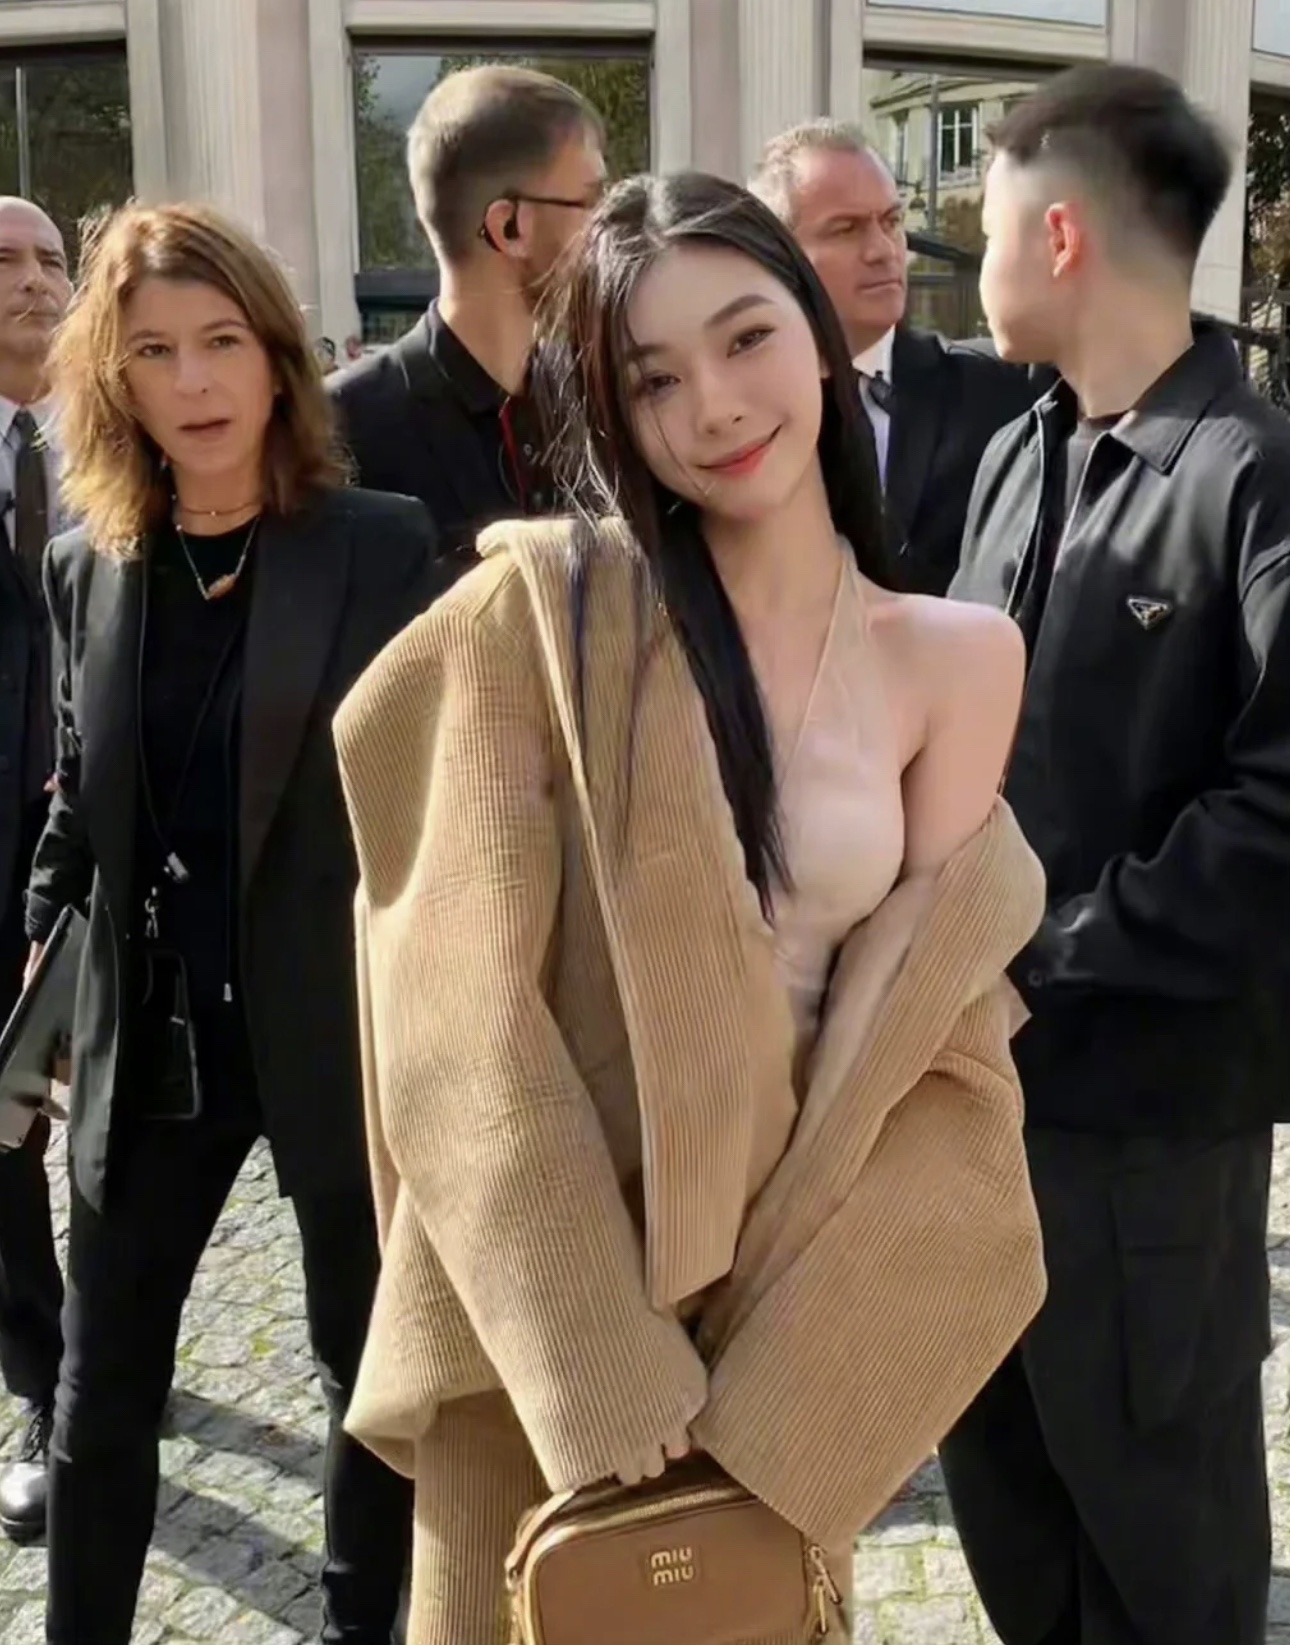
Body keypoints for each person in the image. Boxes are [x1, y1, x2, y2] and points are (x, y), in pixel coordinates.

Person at [332, 170, 1049, 1645]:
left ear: (819, 334)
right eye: (653, 378)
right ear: (611, 410)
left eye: (745, 338)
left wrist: (791, 1370)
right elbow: (452, 1006)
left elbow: (927, 1030)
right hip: (548, 1313)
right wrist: (597, 1352)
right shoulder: (538, 620)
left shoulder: (956, 658)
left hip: (776, 1313)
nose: (713, 407)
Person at [25, 201, 445, 1645]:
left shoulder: (381, 546)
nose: (194, 382)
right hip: (150, 1033)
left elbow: (445, 799)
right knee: (100, 1383)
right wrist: (37, 961)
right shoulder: (88, 564)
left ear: (276, 357)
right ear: (114, 377)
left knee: (361, 1374)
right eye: (153, 351)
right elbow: (78, 803)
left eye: (220, 342)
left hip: (336, 1027)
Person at [942, 65, 1290, 1645]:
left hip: (1149, 1132)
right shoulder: (1014, 454)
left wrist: (1040, 950)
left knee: (1162, 1543)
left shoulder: (1251, 474)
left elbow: (1275, 815)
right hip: (970, 1102)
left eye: (985, 224)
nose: (974, 259)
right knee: (1010, 1513)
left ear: (1061, 231)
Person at [329, 65, 607, 569]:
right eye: (591, 202)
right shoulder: (341, 431)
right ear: (509, 227)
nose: (607, 230)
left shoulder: (598, 401)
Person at [750, 121, 1037, 596]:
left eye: (891, 222)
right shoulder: (745, 416)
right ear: (779, 254)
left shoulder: (998, 388)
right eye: (846, 229)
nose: (883, 251)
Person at [0, 195, 72, 1545]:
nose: (32, 280)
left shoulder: (133, 436)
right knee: (4, 1133)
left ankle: (113, 1347)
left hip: (120, 843)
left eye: (53, 260)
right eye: (2, 262)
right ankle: (45, 1386)